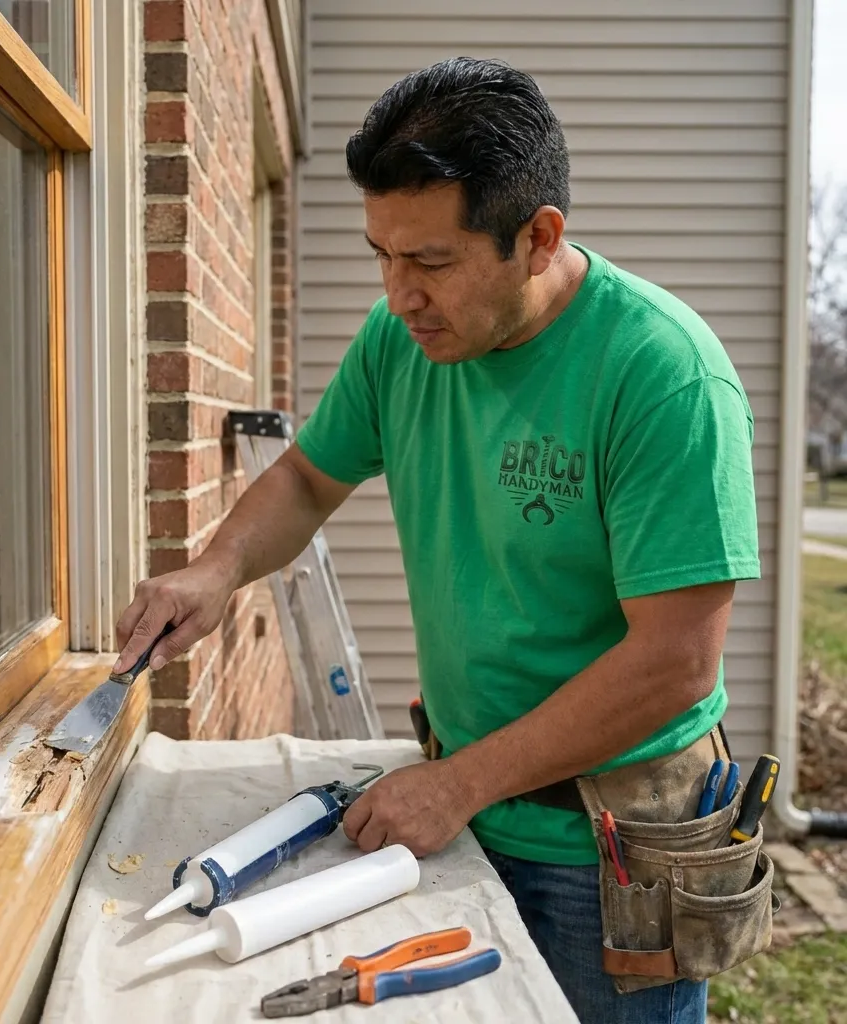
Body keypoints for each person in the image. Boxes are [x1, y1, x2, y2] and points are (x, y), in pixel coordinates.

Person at [114, 57, 760, 1024]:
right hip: (460, 811)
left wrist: (458, 783)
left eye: (431, 261)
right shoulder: (401, 342)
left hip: (610, 850)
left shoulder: (664, 376)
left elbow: (675, 663)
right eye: (382, 253)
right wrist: (215, 570)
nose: (398, 293)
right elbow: (306, 477)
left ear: (538, 238)